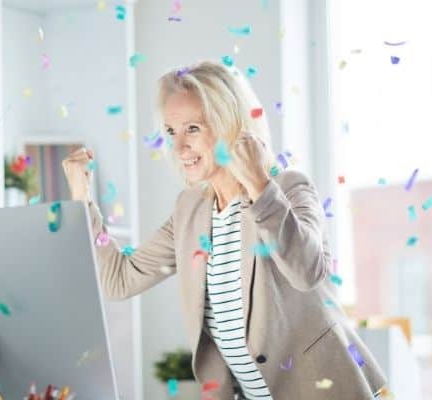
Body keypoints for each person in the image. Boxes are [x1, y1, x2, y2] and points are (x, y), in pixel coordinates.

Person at [62, 61, 387, 399]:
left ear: (230, 125)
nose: (178, 147)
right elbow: (119, 279)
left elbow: (307, 272)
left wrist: (260, 184)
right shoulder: (191, 211)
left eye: (192, 129)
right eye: (172, 131)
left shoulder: (287, 188)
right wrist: (83, 200)